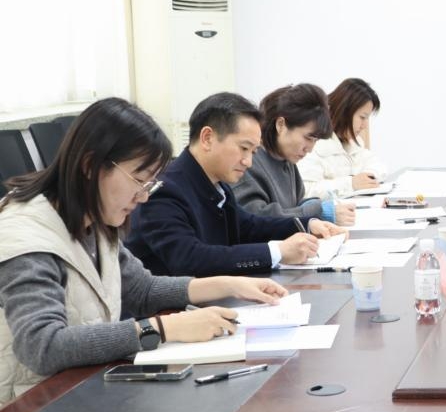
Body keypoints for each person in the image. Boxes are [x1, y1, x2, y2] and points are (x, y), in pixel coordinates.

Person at [0, 98, 287, 404]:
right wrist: (163, 328)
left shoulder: (93, 218)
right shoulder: (27, 235)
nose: (143, 197)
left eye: (149, 184)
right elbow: (42, 346)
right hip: (29, 409)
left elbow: (142, 289)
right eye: (138, 180)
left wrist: (229, 285)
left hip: (81, 391)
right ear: (90, 166)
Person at [126, 93, 345, 277]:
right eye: (243, 148)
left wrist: (307, 224)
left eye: (253, 152)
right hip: (173, 310)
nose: (248, 162)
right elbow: (189, 259)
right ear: (207, 138)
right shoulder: (165, 189)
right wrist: (277, 252)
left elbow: (249, 226)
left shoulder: (216, 184)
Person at [232, 84, 355, 226]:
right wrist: (318, 212)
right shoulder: (248, 162)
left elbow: (294, 205)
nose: (309, 149)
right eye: (308, 138)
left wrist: (315, 204)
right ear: (281, 125)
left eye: (315, 140)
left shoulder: (286, 160)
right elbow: (256, 219)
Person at [299, 78, 387, 199]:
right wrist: (351, 183)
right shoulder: (313, 143)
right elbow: (305, 191)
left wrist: (367, 177)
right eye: (362, 117)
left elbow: (378, 165)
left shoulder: (353, 142)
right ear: (344, 112)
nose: (365, 126)